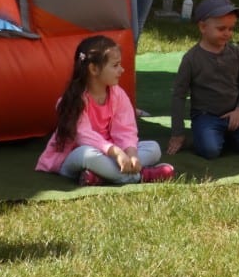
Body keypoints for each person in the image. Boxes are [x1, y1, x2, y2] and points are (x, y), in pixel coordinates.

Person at [36, 35, 175, 185]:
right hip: (74, 157)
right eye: (115, 65)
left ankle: (99, 177)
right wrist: (115, 152)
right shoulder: (73, 100)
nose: (121, 70)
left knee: (154, 148)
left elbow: (126, 129)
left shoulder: (117, 94)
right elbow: (83, 136)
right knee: (87, 155)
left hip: (110, 154)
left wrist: (131, 154)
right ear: (94, 69)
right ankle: (141, 176)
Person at [166, 0, 239, 159]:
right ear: (203, 27)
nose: (227, 33)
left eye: (231, 29)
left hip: (235, 114)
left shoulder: (236, 55)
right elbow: (179, 95)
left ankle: (225, 136)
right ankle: (208, 137)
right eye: (221, 29)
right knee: (210, 151)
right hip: (206, 116)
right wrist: (178, 132)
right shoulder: (191, 59)